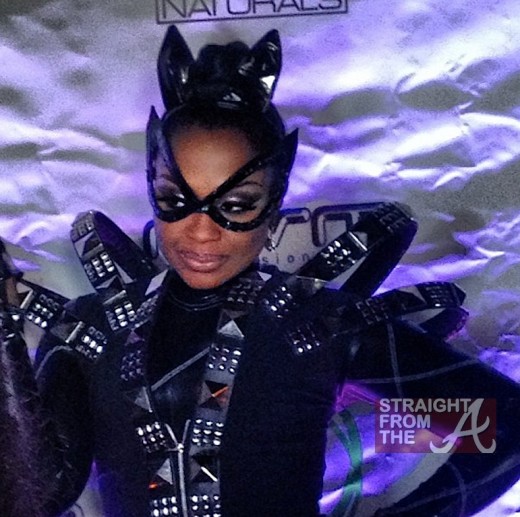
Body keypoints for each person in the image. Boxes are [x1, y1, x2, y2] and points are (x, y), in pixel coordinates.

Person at [0, 26, 519, 517]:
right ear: (151, 186)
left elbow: (506, 425)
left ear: (275, 200)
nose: (201, 231)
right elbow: (38, 495)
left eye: (237, 204)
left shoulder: (319, 324)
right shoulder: (91, 329)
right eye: (174, 199)